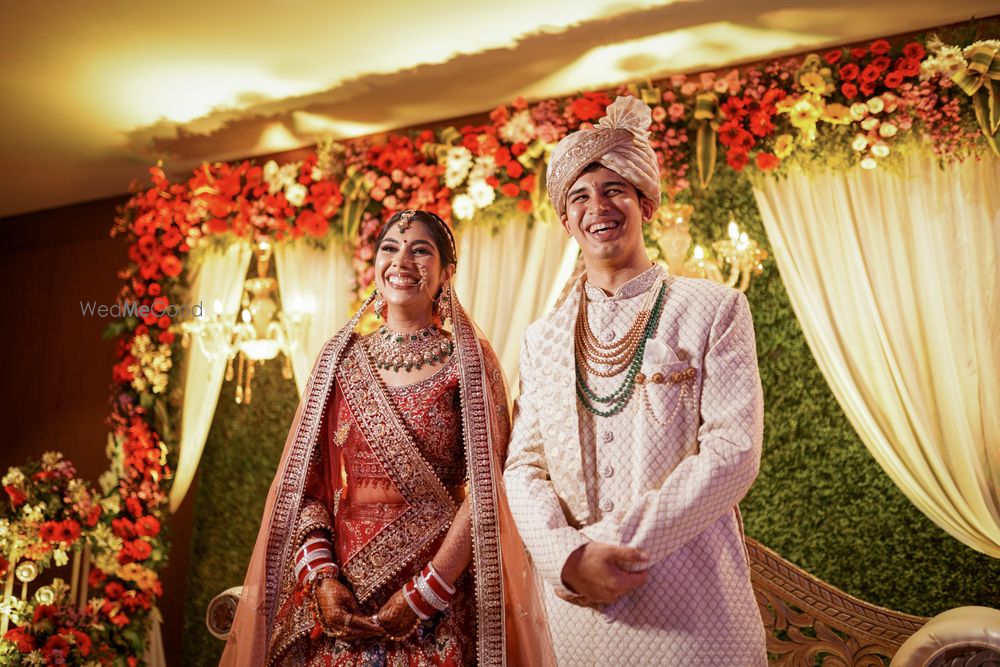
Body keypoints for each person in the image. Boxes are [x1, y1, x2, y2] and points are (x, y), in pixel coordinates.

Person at [222, 209, 554, 666]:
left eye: (421, 251)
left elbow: (490, 489)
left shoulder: (469, 362)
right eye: (390, 249)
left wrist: (427, 591)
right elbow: (306, 488)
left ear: (446, 273)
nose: (402, 261)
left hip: (437, 601)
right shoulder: (340, 360)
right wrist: (322, 579)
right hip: (343, 600)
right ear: (375, 263)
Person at [504, 96, 768, 665]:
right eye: (579, 197)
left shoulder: (712, 309)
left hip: (694, 612)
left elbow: (733, 452)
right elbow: (522, 467)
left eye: (614, 190)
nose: (597, 206)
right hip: (580, 616)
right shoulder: (542, 337)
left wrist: (611, 547)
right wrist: (567, 559)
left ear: (645, 204)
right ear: (566, 221)